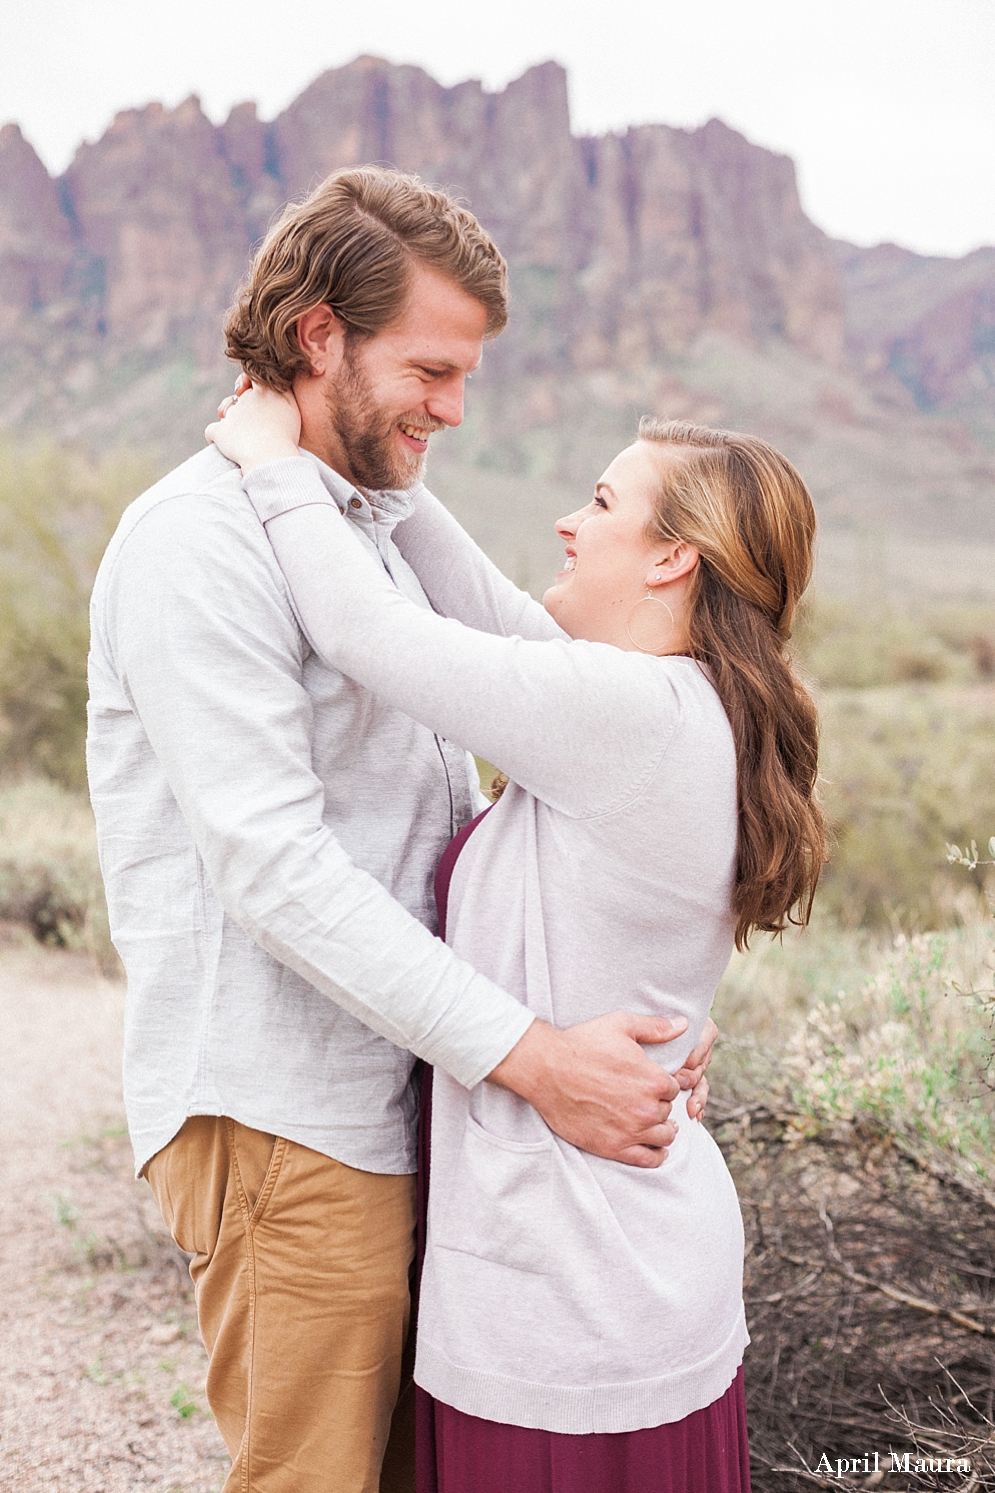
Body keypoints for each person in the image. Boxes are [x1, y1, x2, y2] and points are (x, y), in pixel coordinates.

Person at [86, 165, 716, 1493]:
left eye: (467, 374)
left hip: (409, 1098)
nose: (451, 406)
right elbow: (276, 869)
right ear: (319, 336)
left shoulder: (357, 528)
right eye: (429, 368)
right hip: (289, 1116)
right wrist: (537, 1059)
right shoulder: (200, 543)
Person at [206, 387, 826, 1493]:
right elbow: (493, 615)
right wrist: (393, 465)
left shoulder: (623, 713)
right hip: (617, 1275)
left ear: (671, 559)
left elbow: (367, 633)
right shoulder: (677, 704)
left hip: (567, 1297)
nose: (567, 522)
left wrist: (270, 464)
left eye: (599, 501)